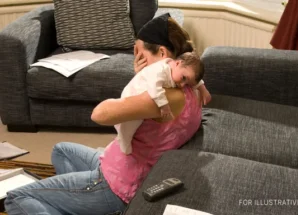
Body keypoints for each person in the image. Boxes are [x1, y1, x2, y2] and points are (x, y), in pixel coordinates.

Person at [4, 13, 203, 215]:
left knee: (16, 198)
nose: (137, 60)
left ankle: (88, 200)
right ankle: (80, 205)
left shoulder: (163, 98)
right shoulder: (193, 89)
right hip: (119, 162)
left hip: (118, 184)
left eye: (140, 54)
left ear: (162, 54)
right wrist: (142, 77)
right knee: (61, 150)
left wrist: (142, 77)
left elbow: (99, 114)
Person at [117, 51, 204, 155]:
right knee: (129, 124)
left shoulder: (178, 69)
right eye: (183, 79)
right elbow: (155, 88)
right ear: (177, 63)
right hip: (133, 94)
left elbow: (192, 76)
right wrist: (164, 106)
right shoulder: (160, 71)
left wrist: (203, 89)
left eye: (187, 83)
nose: (182, 85)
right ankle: (124, 142)